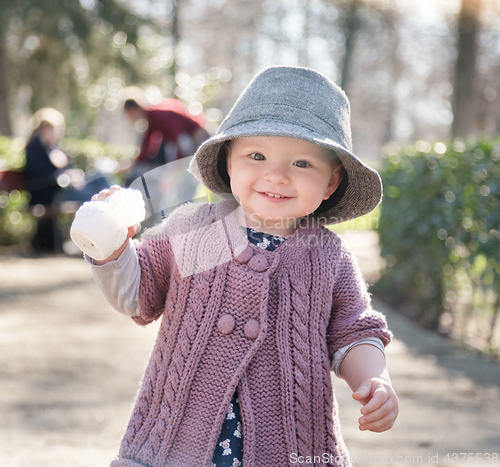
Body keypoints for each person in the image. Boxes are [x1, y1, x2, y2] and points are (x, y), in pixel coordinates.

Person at [84, 67, 398, 467]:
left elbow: (355, 331)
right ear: (228, 161)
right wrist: (111, 248)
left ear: (331, 183)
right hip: (175, 442)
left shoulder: (326, 256)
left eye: (302, 163)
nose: (276, 175)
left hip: (290, 447)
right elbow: (138, 292)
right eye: (256, 155)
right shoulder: (197, 230)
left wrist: (374, 380)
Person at [24, 108, 109, 251]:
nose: (60, 133)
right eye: (57, 129)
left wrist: (71, 174)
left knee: (101, 178)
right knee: (95, 197)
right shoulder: (34, 149)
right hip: (51, 194)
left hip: (64, 189)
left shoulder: (53, 148)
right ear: (46, 129)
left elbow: (65, 167)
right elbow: (40, 175)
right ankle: (103, 235)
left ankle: (107, 224)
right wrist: (64, 177)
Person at [123, 98, 209, 179]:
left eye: (128, 114)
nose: (129, 118)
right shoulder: (152, 119)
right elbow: (147, 145)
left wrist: (174, 171)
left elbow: (181, 140)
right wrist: (133, 164)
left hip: (198, 136)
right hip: (188, 140)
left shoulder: (159, 116)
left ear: (133, 110)